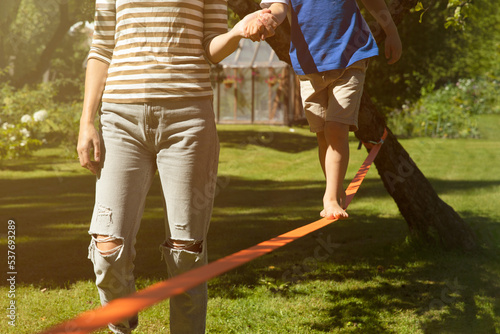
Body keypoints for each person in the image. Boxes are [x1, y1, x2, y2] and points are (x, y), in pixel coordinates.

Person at [76, 1, 276, 333]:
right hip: (119, 118)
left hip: (187, 120)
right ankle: (121, 324)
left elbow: (210, 47)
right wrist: (86, 122)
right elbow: (101, 48)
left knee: (186, 252)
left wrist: (237, 32)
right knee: (106, 247)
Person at [248, 0, 402, 220]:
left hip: (350, 57)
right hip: (309, 65)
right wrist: (268, 17)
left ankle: (329, 199)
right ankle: (335, 188)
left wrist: (391, 32)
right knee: (323, 135)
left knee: (335, 128)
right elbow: (279, 7)